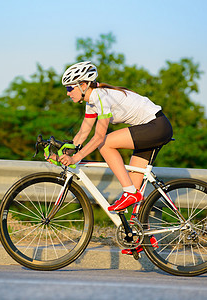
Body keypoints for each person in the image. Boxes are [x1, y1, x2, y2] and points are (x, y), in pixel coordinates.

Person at [53, 61, 172, 234]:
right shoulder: (92, 101)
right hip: (149, 129)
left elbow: (99, 137)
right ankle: (140, 236)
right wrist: (64, 153)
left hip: (156, 126)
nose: (67, 93)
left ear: (83, 85)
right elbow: (83, 133)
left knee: (105, 143)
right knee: (133, 186)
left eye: (70, 88)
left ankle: (130, 193)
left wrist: (75, 158)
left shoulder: (101, 96)